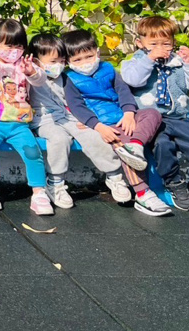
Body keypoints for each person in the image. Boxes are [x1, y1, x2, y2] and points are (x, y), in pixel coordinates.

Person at [62, 29, 171, 217]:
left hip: (123, 117)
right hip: (105, 123)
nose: (85, 63)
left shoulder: (108, 68)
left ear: (97, 52)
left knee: (152, 114)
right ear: (68, 61)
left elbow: (123, 92)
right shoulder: (69, 78)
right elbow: (77, 106)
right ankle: (143, 194)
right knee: (123, 145)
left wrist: (129, 113)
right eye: (77, 60)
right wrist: (98, 127)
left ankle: (136, 144)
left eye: (89, 56)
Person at [120, 16, 189, 210]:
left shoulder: (178, 63)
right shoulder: (136, 62)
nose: (160, 48)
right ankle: (174, 184)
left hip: (178, 117)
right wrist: (149, 59)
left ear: (173, 42)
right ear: (140, 43)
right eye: (153, 44)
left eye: (166, 43)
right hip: (152, 121)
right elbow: (133, 80)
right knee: (163, 147)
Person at [28, 33, 132, 208]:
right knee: (59, 139)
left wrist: (85, 121)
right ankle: (55, 182)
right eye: (53, 61)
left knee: (93, 135)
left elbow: (75, 103)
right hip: (44, 119)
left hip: (68, 117)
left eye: (62, 61)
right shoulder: (31, 77)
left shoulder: (66, 77)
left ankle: (114, 176)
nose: (58, 65)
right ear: (36, 61)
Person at [0, 19, 53, 216]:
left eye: (19, 45)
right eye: (8, 45)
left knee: (32, 152)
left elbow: (40, 80)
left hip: (19, 125)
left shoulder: (25, 64)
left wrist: (31, 72)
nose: (14, 50)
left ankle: (39, 192)